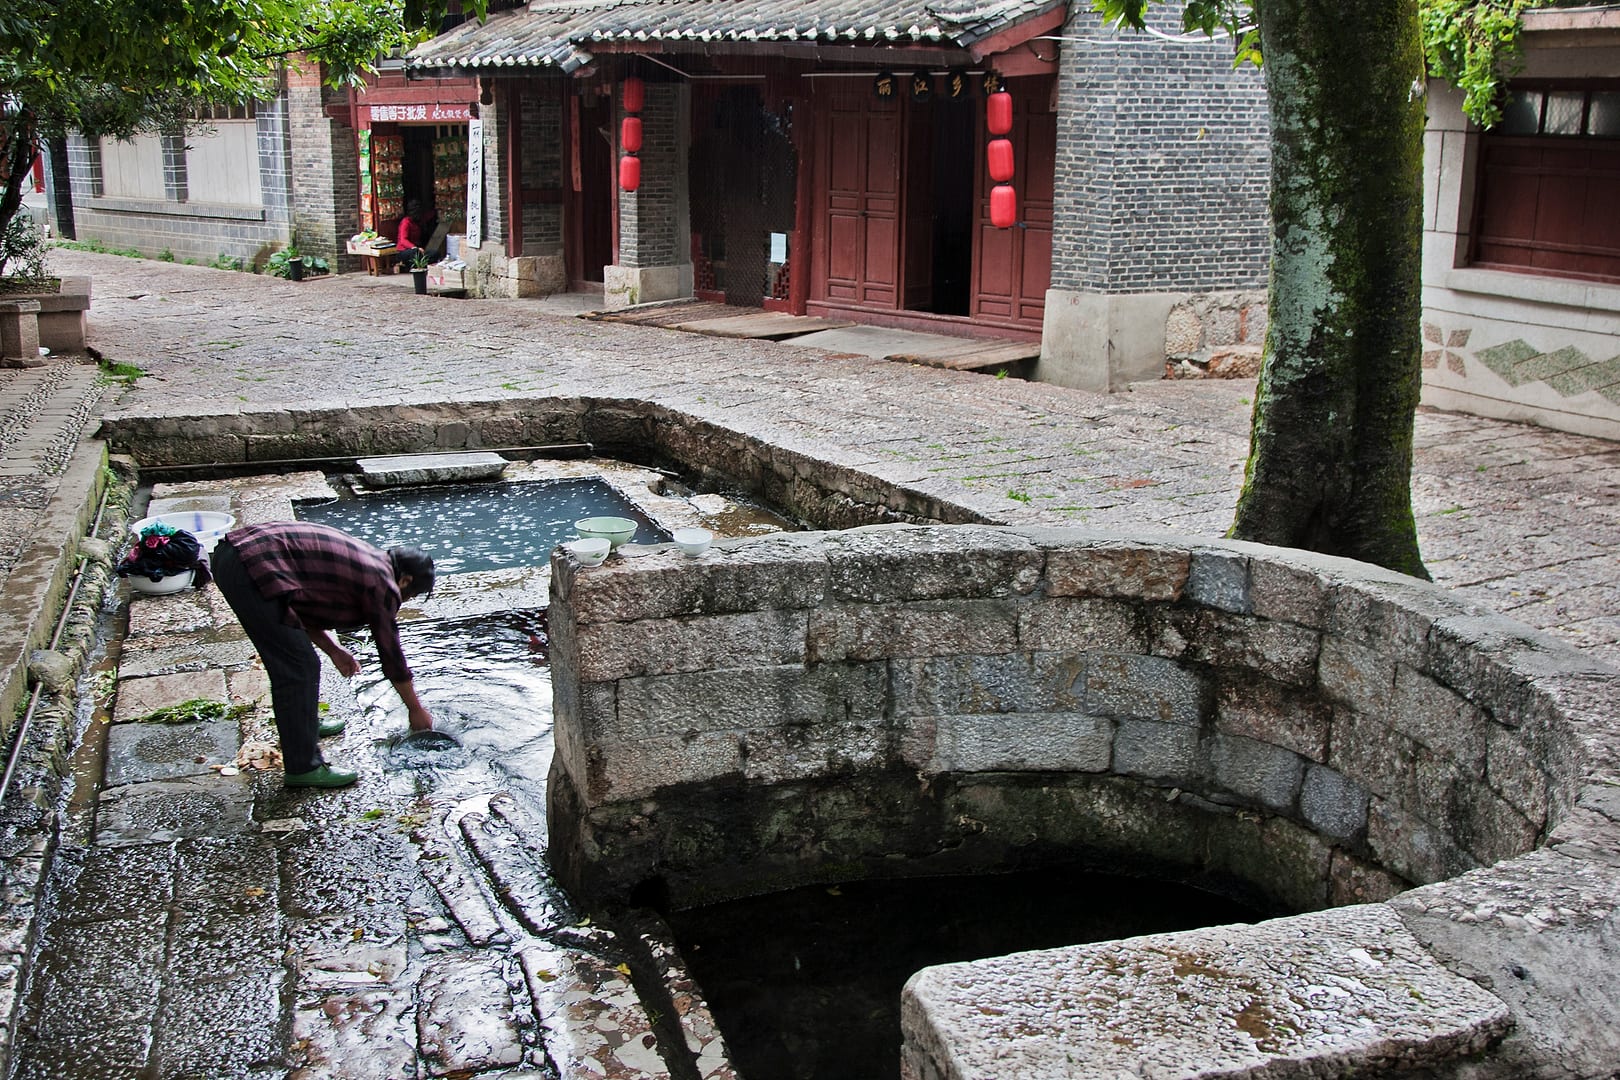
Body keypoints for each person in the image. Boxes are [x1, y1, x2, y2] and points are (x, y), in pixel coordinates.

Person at [212, 521, 436, 789]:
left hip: (238, 554)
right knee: (298, 667)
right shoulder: (383, 583)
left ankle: (305, 722)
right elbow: (391, 654)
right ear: (405, 580)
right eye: (410, 595)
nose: (405, 601)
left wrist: (333, 650)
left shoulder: (369, 559)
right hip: (250, 565)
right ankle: (303, 768)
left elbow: (296, 604)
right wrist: (415, 709)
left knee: (300, 661)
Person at [395, 200, 434, 269]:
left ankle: (420, 264)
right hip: (404, 251)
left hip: (417, 250)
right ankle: (411, 266)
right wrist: (414, 247)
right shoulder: (406, 222)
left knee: (435, 253)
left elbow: (428, 216)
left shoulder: (418, 221)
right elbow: (403, 240)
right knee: (415, 253)